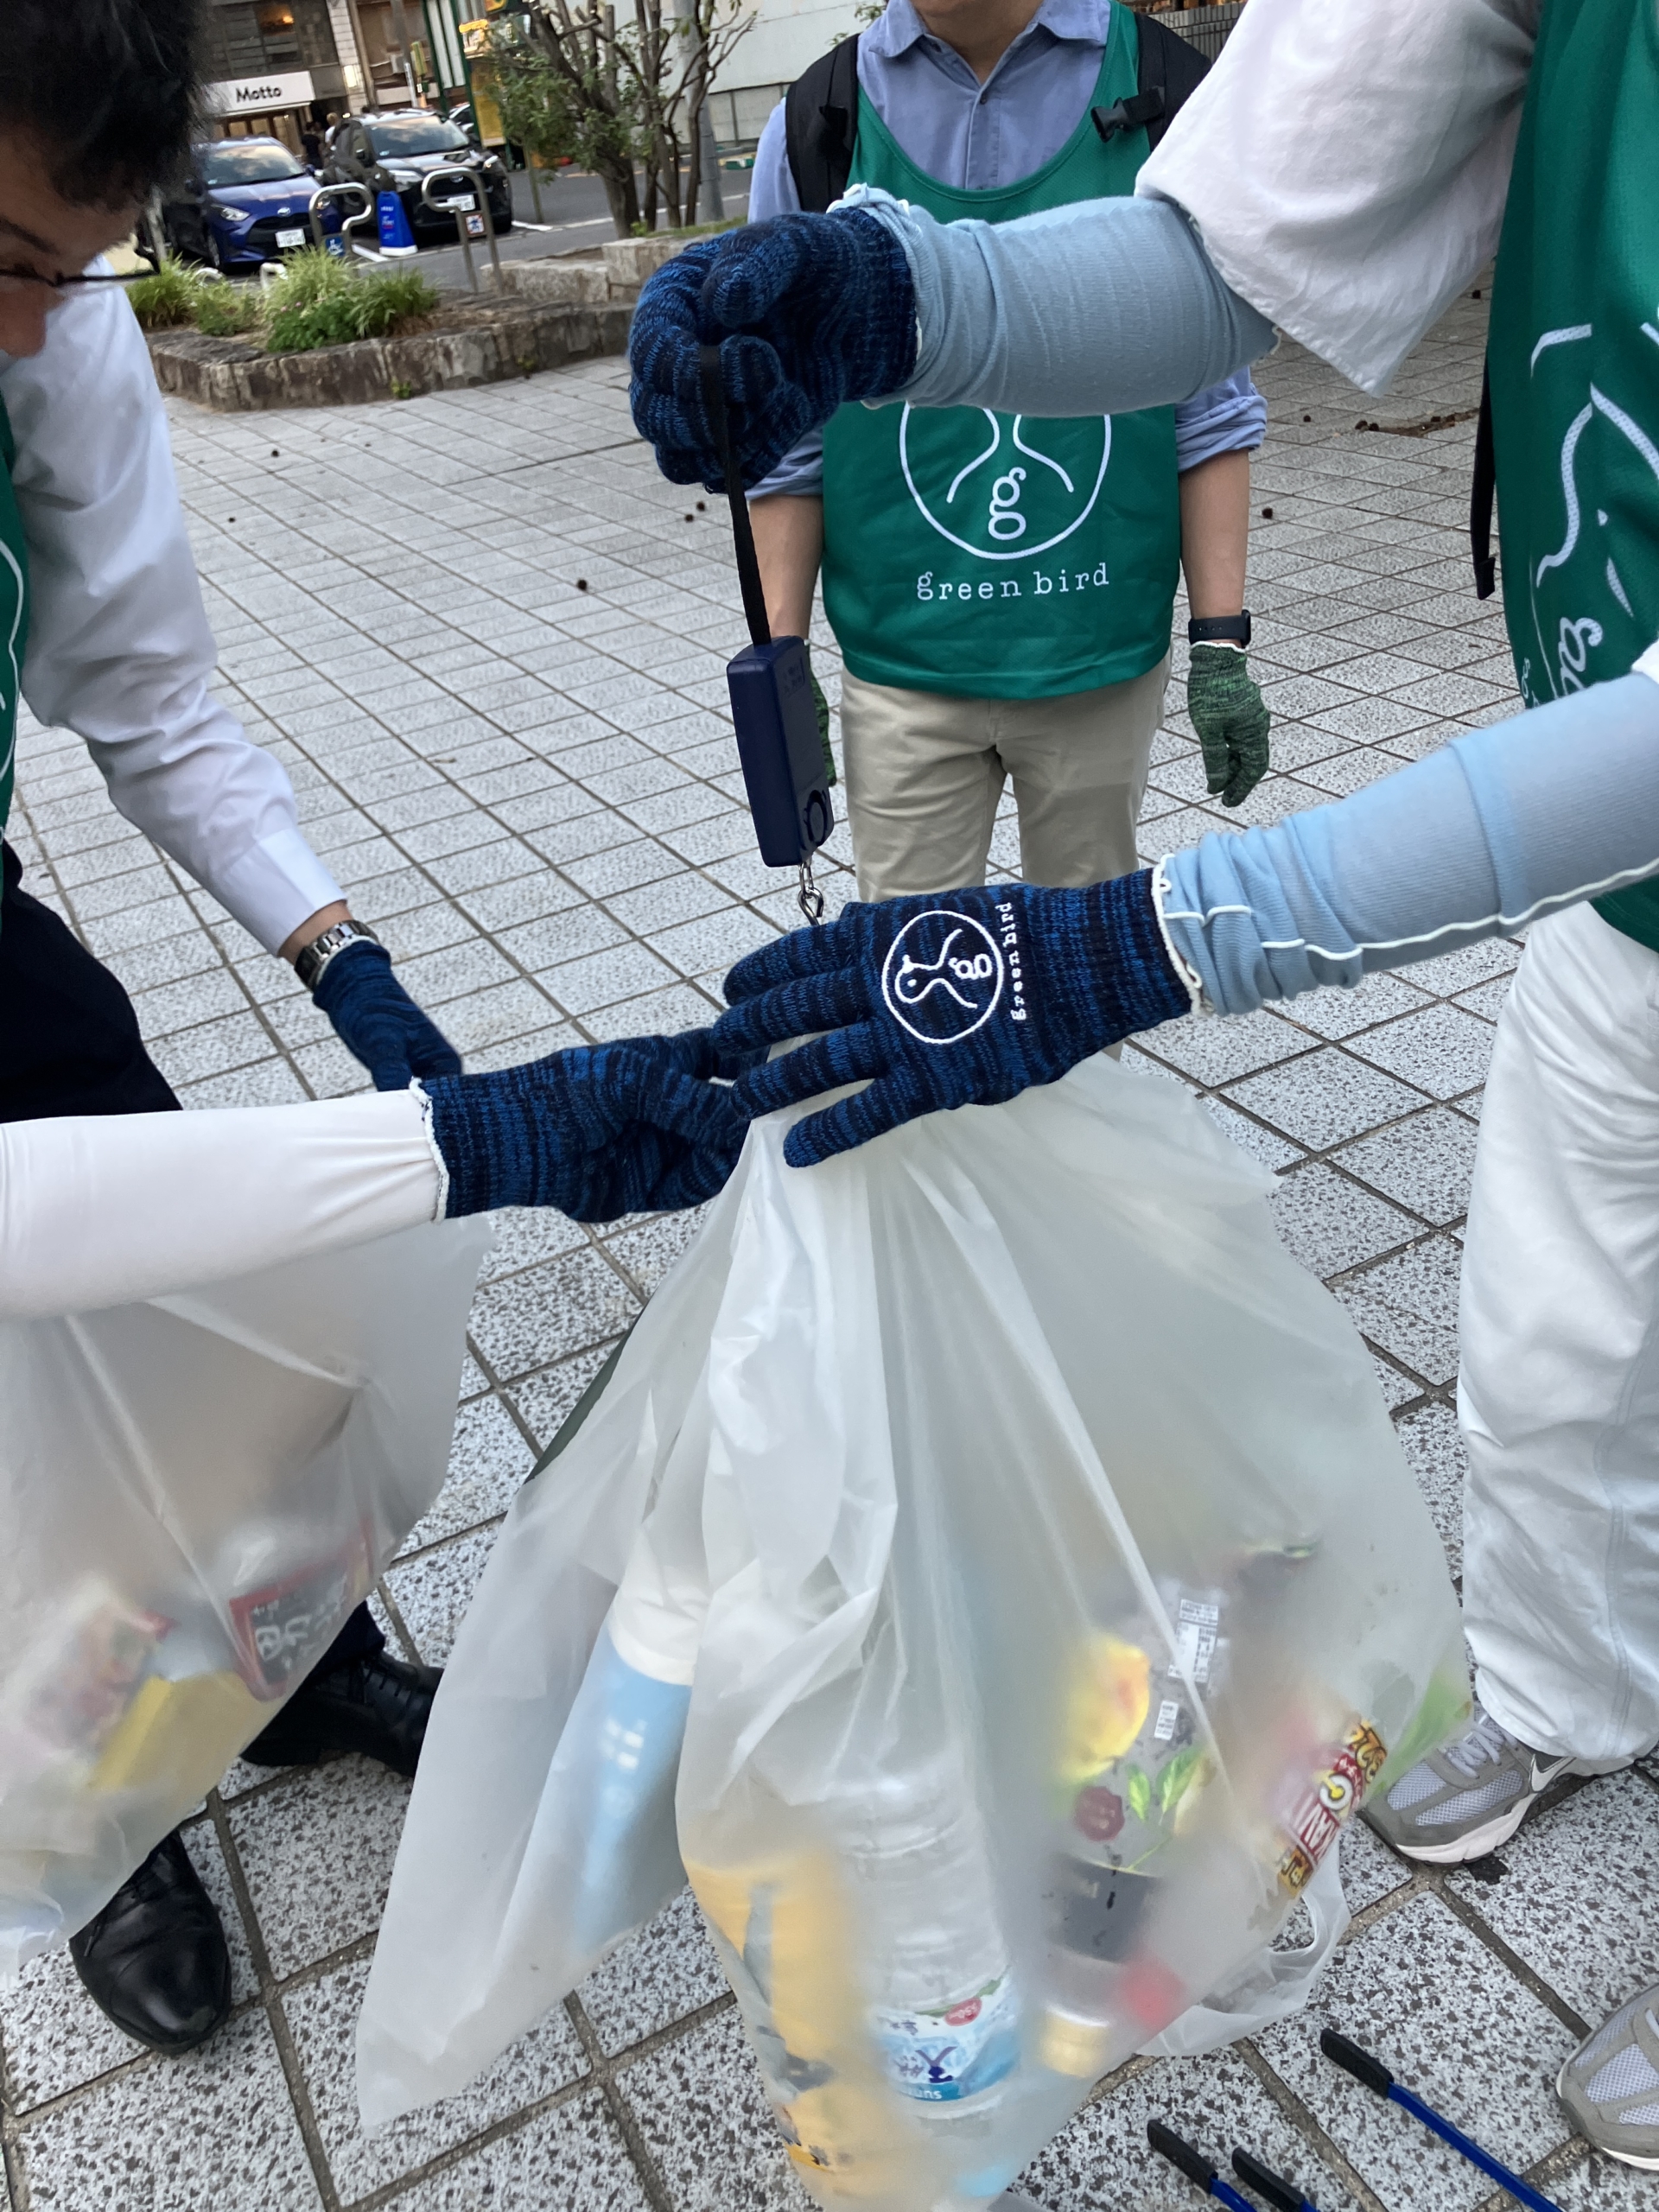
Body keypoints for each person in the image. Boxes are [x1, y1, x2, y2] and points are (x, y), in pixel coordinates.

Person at [629, 0, 1659, 2162]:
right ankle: (1569, 1690)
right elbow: (1212, 264)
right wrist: (895, 295)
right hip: (1624, 905)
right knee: (1551, 1351)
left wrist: (1167, 925)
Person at [0, 0, 741, 2062]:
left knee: (213, 1343)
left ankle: (288, 1668)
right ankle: (105, 1804)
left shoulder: (50, 335)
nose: (32, 327)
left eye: (71, 276)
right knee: (30, 1438)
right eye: (8, 262)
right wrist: (457, 1146)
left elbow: (147, 695)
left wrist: (347, 960)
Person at [744, 0, 1269, 904]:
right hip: (902, 666)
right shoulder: (818, 122)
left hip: (1098, 655)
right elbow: (789, 432)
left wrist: (1220, 643)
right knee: (913, 969)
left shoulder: (1166, 90)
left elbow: (1211, 402)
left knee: (1082, 961)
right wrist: (782, 666)